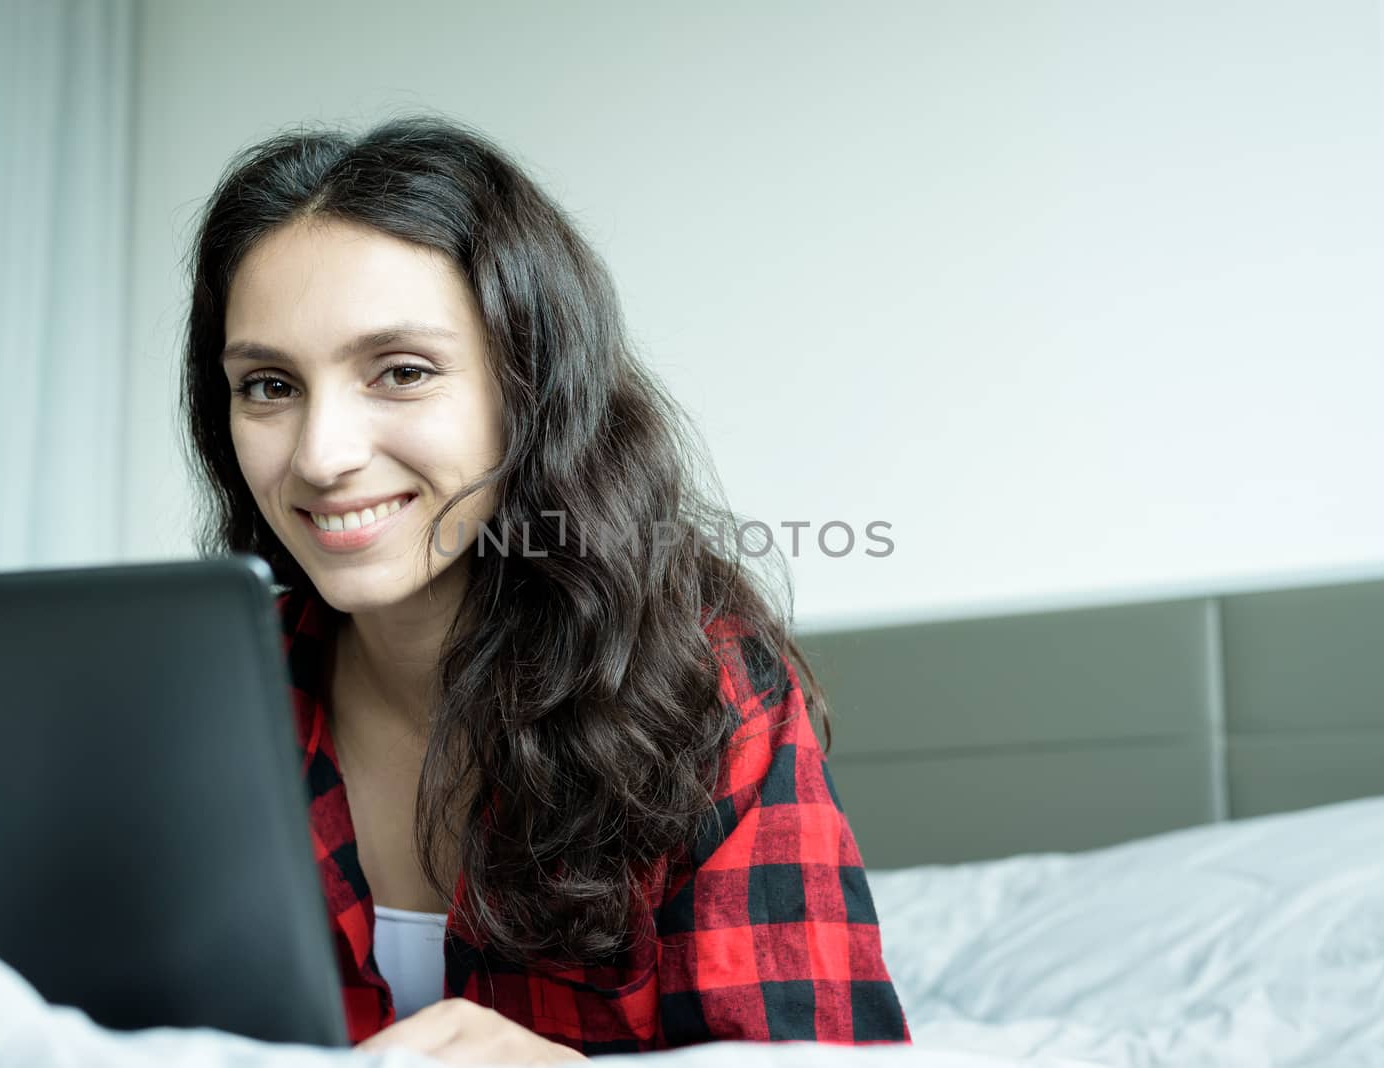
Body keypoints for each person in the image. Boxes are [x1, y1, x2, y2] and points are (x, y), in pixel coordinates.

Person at [180, 116, 909, 1061]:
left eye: (401, 372)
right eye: (270, 387)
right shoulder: (205, 706)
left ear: (531, 390)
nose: (322, 457)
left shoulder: (705, 695)